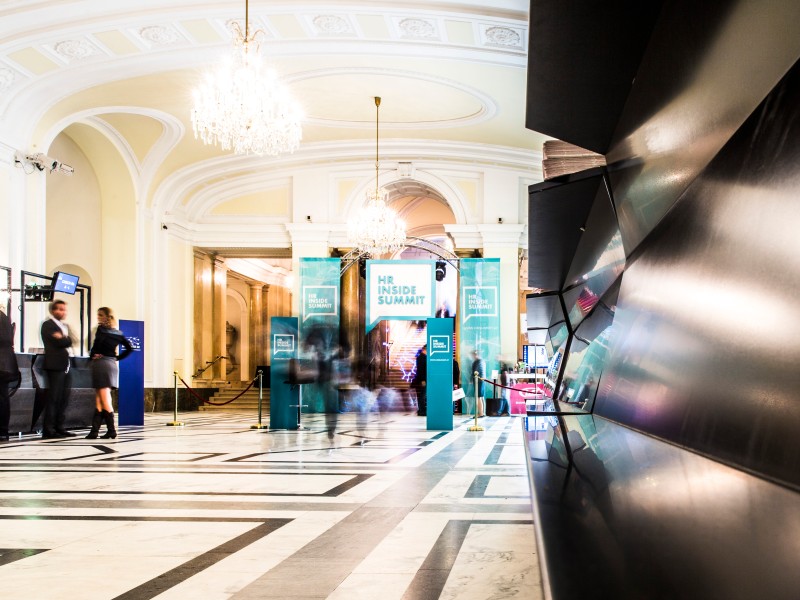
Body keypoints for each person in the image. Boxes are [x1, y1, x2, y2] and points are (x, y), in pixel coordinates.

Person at [85, 307, 133, 439]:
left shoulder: (101, 331)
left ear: (106, 316)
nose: (98, 317)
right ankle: (94, 431)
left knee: (104, 399)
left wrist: (93, 355)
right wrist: (116, 358)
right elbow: (129, 348)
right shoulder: (118, 333)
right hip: (111, 364)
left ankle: (111, 430)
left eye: (100, 315)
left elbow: (96, 346)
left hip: (102, 365)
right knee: (99, 399)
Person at [40, 300, 77, 438]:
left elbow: (70, 340)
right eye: (60, 309)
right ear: (53, 311)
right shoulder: (48, 325)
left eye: (64, 309)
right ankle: (49, 429)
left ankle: (59, 426)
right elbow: (63, 342)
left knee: (63, 398)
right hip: (54, 366)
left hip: (65, 365)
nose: (63, 312)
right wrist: (65, 339)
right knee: (54, 398)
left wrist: (65, 338)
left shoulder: (63, 326)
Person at [0, 310, 20, 442]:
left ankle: (2, 430)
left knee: (1, 398)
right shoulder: (4, 316)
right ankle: (3, 431)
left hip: (1, 364)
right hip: (5, 364)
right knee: (3, 397)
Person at [411, 344, 427, 416]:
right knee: (422, 395)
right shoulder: (421, 357)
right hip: (422, 379)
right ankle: (421, 410)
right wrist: (423, 380)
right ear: (424, 349)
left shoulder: (423, 357)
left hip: (423, 379)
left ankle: (422, 410)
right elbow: (420, 370)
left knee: (422, 395)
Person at [471, 349, 485, 417]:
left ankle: (481, 413)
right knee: (481, 397)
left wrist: (472, 378)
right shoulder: (480, 361)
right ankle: (482, 412)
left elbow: (476, 372)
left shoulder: (478, 362)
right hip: (480, 381)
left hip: (478, 381)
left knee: (478, 397)